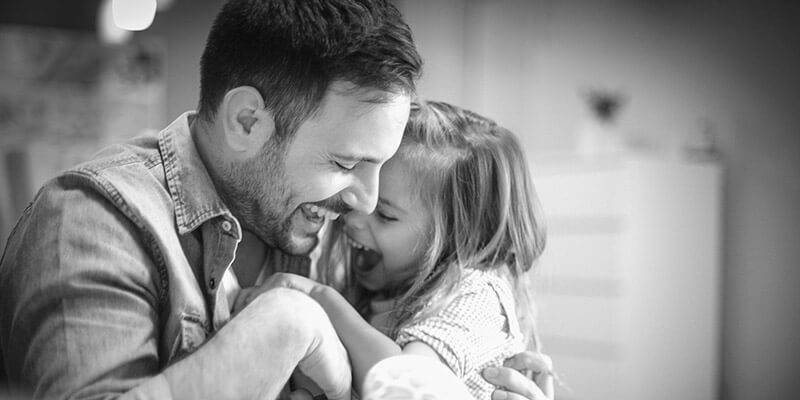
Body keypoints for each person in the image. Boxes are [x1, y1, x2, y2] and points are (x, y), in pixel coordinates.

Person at [0, 1, 550, 398]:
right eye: (344, 163)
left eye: (380, 168)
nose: (365, 203)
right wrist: (287, 326)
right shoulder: (90, 222)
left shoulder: (324, 228)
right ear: (247, 121)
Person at [237, 100, 554, 400]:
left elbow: (403, 382)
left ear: (457, 239)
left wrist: (320, 299)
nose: (356, 216)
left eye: (385, 215)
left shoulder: (478, 296)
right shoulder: (379, 287)